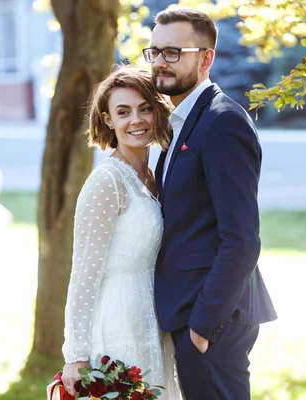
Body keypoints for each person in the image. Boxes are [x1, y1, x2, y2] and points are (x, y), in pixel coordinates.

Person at [145, 7, 278, 400]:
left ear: (206, 58)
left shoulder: (222, 122)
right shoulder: (183, 120)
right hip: (189, 312)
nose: (159, 63)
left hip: (213, 319)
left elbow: (241, 239)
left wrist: (202, 327)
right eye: (153, 52)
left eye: (173, 53)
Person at [60, 65, 181, 400]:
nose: (136, 120)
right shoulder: (106, 181)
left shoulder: (155, 174)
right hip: (118, 320)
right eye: (123, 112)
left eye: (145, 109)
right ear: (108, 120)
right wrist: (76, 355)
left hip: (153, 317)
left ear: (158, 111)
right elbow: (84, 272)